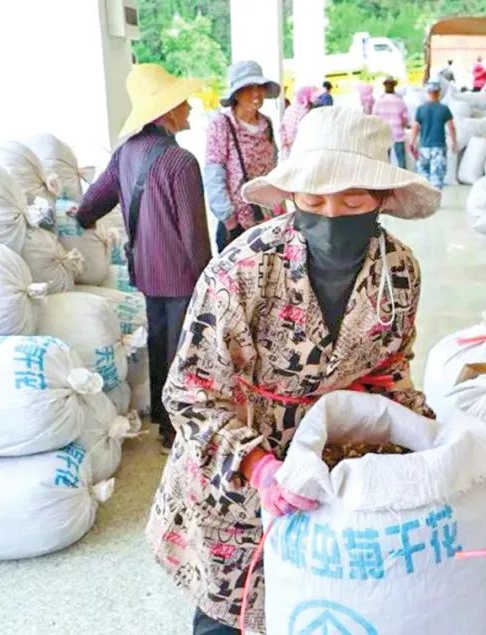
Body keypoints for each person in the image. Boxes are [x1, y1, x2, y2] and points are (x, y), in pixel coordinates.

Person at [145, 108, 441, 634]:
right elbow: (191, 394)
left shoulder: (397, 272)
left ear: (380, 199)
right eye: (313, 200)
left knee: (316, 607)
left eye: (352, 200)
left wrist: (424, 444)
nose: (331, 214)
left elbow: (389, 372)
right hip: (236, 479)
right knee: (230, 613)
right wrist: (261, 468)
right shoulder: (245, 268)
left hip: (327, 474)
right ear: (292, 197)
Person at [74, 64, 212, 452]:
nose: (189, 109)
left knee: (159, 346)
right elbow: (195, 236)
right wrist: (211, 282)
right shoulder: (181, 162)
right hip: (183, 276)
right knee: (185, 351)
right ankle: (179, 429)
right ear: (167, 111)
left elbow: (93, 202)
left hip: (148, 272)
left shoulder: (126, 153)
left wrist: (81, 220)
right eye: (182, 102)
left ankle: (164, 426)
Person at [204, 60, 281, 253]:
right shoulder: (222, 125)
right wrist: (230, 222)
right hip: (237, 226)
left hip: (268, 222)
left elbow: (274, 170)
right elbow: (214, 176)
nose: (256, 94)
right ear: (236, 93)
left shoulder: (267, 125)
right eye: (248, 88)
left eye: (259, 87)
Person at [410, 80, 456, 190]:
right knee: (437, 176)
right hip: (439, 147)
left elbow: (415, 127)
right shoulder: (444, 109)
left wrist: (412, 142)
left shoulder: (421, 109)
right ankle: (435, 202)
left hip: (424, 147)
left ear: (428, 92)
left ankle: (424, 202)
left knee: (423, 176)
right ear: (439, 92)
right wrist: (454, 142)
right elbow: (451, 127)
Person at [372, 76, 409, 168]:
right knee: (401, 159)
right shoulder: (399, 101)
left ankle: (387, 179)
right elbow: (405, 119)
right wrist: (403, 125)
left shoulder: (378, 102)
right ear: (394, 86)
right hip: (398, 134)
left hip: (384, 134)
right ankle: (403, 179)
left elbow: (374, 118)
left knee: (385, 160)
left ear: (384, 86)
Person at [280, 85, 316, 160]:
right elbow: (306, 134)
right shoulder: (305, 112)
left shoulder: (289, 108)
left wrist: (285, 143)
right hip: (299, 150)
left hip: (287, 150)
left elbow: (282, 128)